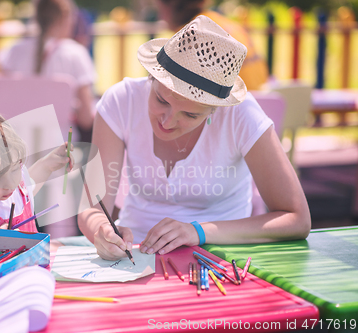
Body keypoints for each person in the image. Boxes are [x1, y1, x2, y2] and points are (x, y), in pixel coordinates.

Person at [78, 15, 310, 261]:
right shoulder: (121, 101)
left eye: (190, 114)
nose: (167, 121)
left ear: (215, 109)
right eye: (161, 100)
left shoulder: (241, 114)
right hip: (134, 254)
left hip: (221, 257)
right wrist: (101, 231)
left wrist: (198, 231)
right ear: (151, 78)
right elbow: (92, 207)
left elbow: (296, 219)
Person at [0, 0, 96, 142]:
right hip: (60, 149)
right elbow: (86, 119)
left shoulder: (13, 53)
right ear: (65, 18)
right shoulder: (76, 54)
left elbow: (4, 103)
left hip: (18, 146)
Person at [155, 0, 269, 91]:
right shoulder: (219, 21)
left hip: (233, 109)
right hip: (263, 102)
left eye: (159, 8)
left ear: (171, 6)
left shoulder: (192, 34)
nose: (160, 17)